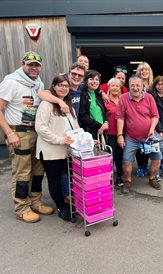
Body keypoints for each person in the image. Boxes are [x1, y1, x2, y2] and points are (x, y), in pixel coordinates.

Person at [0, 51, 54, 223]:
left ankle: (35, 201)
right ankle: (22, 207)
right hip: (19, 133)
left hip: (36, 132)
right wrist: (9, 133)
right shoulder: (11, 82)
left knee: (38, 170)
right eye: (30, 64)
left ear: (40, 66)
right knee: (22, 172)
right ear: (22, 64)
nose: (33, 67)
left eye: (36, 65)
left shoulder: (38, 83)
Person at [35, 75, 78, 221]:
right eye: (61, 85)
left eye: (66, 86)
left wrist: (86, 139)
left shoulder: (68, 105)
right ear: (53, 86)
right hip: (50, 152)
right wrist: (61, 140)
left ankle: (70, 202)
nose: (64, 88)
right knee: (54, 181)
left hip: (66, 151)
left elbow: (75, 127)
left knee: (71, 178)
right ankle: (61, 207)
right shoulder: (46, 104)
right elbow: (40, 128)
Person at [116, 74, 162, 194]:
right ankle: (127, 181)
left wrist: (152, 128)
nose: (135, 88)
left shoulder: (149, 97)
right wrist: (120, 135)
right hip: (131, 137)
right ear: (129, 86)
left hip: (149, 136)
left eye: (138, 85)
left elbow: (155, 116)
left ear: (143, 86)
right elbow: (120, 118)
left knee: (157, 158)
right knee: (126, 160)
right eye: (132, 86)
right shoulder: (123, 98)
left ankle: (152, 178)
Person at [135, 62, 154, 177]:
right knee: (138, 145)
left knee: (148, 144)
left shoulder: (153, 85)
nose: (144, 72)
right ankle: (140, 166)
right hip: (137, 117)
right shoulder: (135, 84)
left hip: (150, 117)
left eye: (146, 70)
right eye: (142, 70)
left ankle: (146, 165)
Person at [104, 78, 124, 187]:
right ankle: (109, 178)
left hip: (122, 133)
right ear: (109, 87)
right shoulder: (105, 101)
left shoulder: (123, 99)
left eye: (117, 86)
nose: (115, 88)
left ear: (120, 87)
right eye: (113, 86)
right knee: (110, 157)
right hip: (110, 133)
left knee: (120, 156)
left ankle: (120, 177)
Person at [79, 70, 109, 139]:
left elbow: (105, 110)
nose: (95, 81)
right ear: (86, 81)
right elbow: (83, 116)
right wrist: (99, 126)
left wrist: (106, 122)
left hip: (102, 131)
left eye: (97, 79)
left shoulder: (98, 95)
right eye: (91, 79)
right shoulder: (82, 95)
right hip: (89, 132)